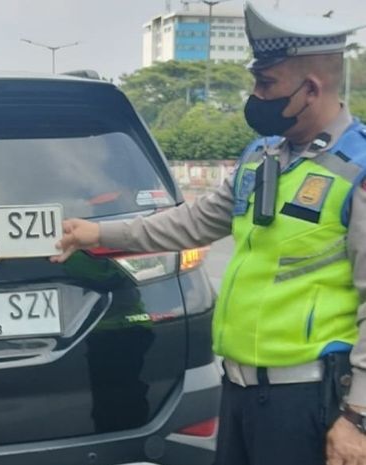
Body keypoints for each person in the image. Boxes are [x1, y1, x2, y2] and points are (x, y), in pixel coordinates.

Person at [52, 3, 366, 465]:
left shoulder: (355, 170)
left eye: (266, 84)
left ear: (311, 88)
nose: (255, 96)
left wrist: (357, 417)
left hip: (308, 400)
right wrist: (96, 231)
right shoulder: (262, 158)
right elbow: (192, 222)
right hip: (239, 393)